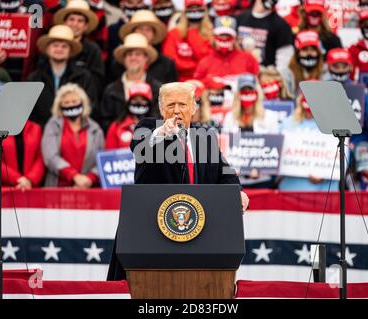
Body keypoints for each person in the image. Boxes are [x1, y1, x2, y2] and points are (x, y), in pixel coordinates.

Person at [106, 82, 249, 280]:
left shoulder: (205, 136)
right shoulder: (148, 127)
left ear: (193, 108)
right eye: (170, 105)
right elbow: (140, 147)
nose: (176, 111)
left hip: (198, 229)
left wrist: (237, 191)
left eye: (182, 104)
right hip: (153, 226)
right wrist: (163, 132)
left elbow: (224, 171)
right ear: (161, 109)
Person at [28, 25, 97, 127]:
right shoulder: (34, 79)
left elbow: (91, 108)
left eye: (64, 46)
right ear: (47, 49)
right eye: (55, 45)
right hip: (41, 135)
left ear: (70, 51)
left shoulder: (84, 77)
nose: (59, 49)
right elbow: (29, 113)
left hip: (75, 135)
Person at [41, 83, 104, 188]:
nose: (71, 105)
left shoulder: (95, 128)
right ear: (60, 106)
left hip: (88, 188)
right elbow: (50, 156)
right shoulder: (53, 125)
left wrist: (89, 178)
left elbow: (101, 158)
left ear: (82, 103)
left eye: (74, 101)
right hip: (58, 188)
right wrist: (74, 176)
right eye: (66, 102)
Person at [222, 73, 279, 188]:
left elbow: (274, 149)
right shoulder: (230, 117)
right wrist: (233, 170)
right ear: (238, 94)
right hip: (236, 181)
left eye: (250, 90)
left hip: (262, 179)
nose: (247, 94)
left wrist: (260, 169)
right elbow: (226, 148)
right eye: (244, 91)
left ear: (257, 93)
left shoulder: (270, 117)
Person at [98, 33, 161, 132]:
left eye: (138, 54)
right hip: (118, 144)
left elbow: (161, 120)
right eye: (129, 54)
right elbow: (105, 123)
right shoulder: (111, 91)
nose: (133, 58)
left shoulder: (157, 89)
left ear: (146, 58)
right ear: (124, 59)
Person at [278, 94, 339, 191]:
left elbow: (341, 156)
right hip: (290, 191)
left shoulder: (334, 125)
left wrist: (324, 174)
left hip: (324, 192)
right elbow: (277, 153)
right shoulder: (287, 123)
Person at [53, 0, 106, 99]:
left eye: (80, 21)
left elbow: (97, 84)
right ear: (65, 22)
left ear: (86, 26)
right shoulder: (52, 47)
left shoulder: (93, 51)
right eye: (71, 19)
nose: (75, 24)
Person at [108, 9, 178, 84]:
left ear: (154, 35)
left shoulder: (167, 64)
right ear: (132, 32)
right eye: (140, 29)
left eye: (148, 30)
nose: (144, 33)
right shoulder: (119, 63)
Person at [193, 16, 259, 80]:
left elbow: (257, 84)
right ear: (214, 37)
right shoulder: (205, 62)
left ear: (235, 38)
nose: (224, 38)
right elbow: (198, 86)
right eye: (221, 35)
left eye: (228, 35)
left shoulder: (248, 59)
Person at [162, 0, 213, 81]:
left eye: (198, 7)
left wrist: (192, 32)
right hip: (179, 81)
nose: (194, 11)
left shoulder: (211, 34)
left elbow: (208, 61)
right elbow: (170, 61)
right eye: (190, 8)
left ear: (204, 11)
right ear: (184, 12)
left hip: (204, 80)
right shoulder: (173, 34)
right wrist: (195, 65)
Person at [236, 0, 294, 69]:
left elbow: (284, 59)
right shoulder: (240, 18)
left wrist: (277, 75)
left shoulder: (282, 25)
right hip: (240, 70)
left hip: (266, 74)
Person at [105, 82, 155, 149]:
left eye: (143, 99)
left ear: (149, 103)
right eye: (135, 99)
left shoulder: (158, 127)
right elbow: (109, 156)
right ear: (128, 102)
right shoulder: (116, 127)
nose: (138, 103)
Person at [2, 121, 45, 189]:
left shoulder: (35, 128)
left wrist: (29, 180)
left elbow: (41, 158)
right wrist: (18, 179)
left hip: (31, 187)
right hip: (4, 188)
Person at [283, 30, 325, 95]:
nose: (309, 53)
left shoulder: (325, 73)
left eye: (313, 49)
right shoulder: (287, 74)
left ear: (318, 53)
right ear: (297, 53)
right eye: (305, 50)